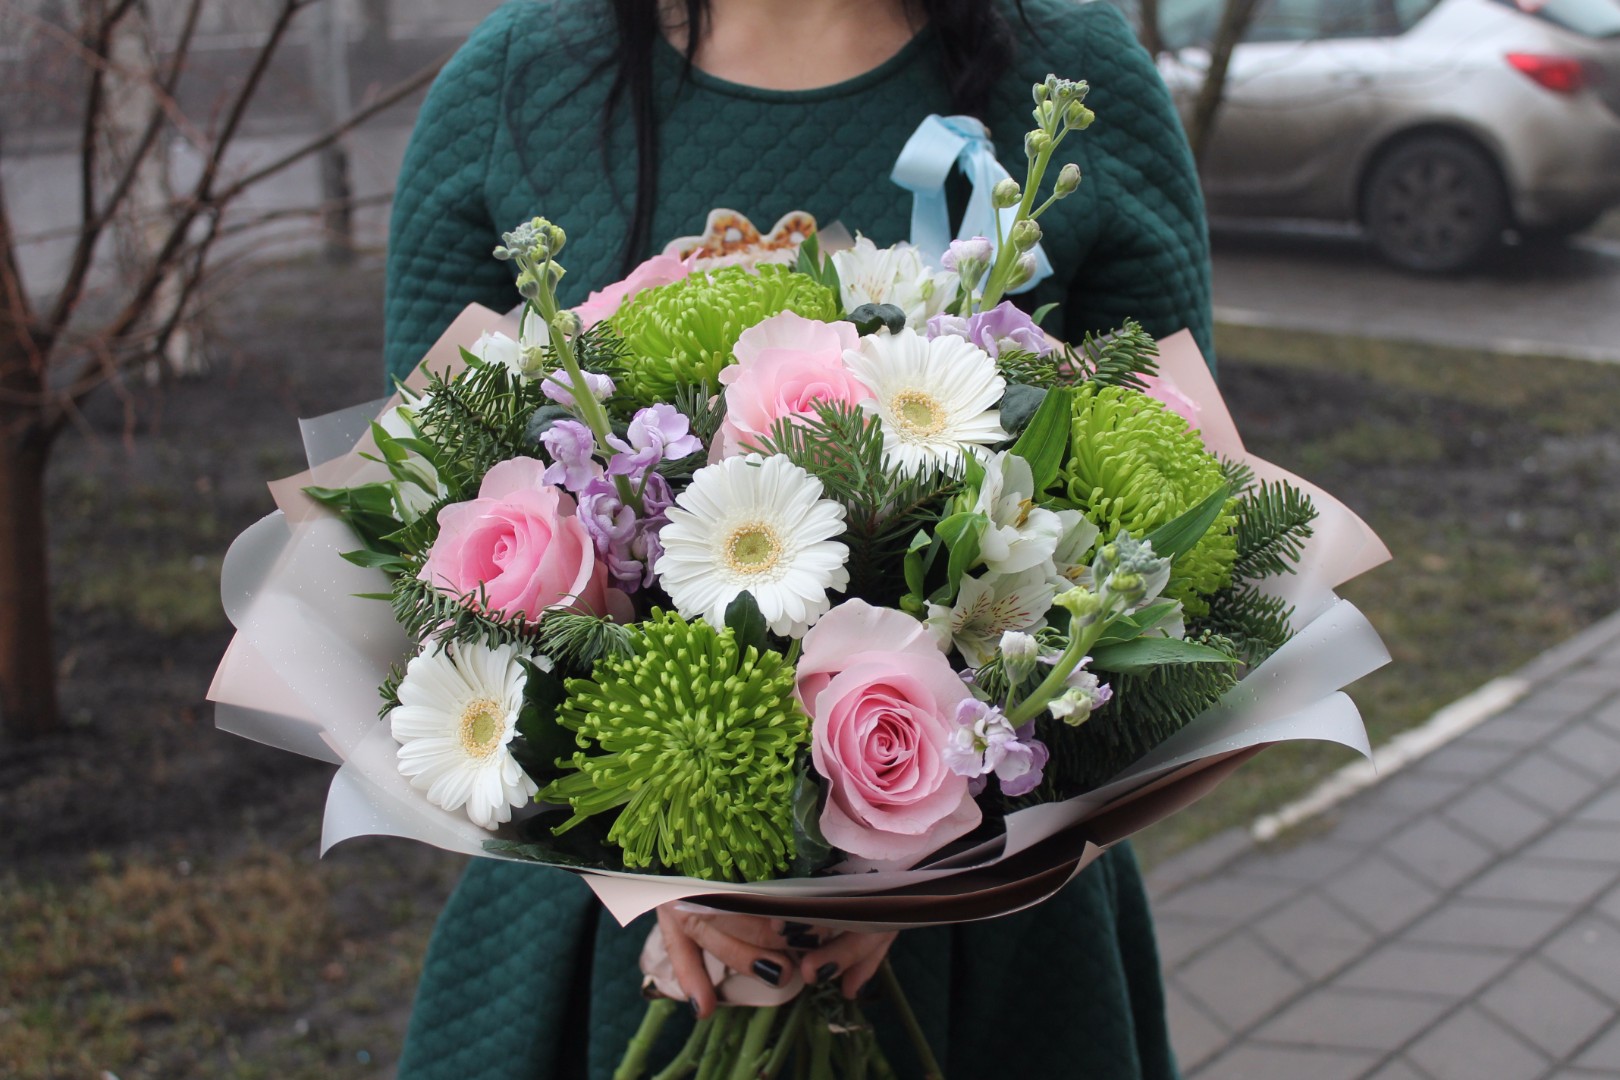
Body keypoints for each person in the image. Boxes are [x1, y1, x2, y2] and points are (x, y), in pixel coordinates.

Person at [383, 0, 1212, 1075]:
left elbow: (1171, 508)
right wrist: (663, 871)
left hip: (1000, 924)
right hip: (601, 921)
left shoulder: (1075, 72)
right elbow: (429, 511)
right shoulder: (517, 82)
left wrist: (917, 872)